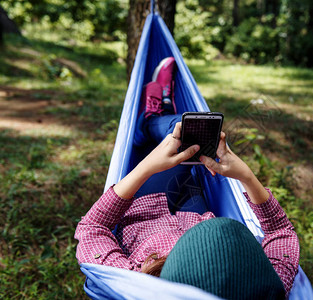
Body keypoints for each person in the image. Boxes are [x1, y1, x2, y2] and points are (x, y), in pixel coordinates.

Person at [75, 57, 300, 299]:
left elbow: (93, 228)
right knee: (192, 140)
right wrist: (245, 175)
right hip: (196, 210)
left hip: (148, 205)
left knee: (181, 131)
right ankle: (159, 118)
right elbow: (280, 231)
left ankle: (147, 122)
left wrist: (146, 168)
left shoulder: (138, 282)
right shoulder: (269, 288)